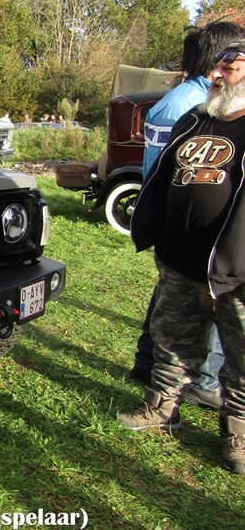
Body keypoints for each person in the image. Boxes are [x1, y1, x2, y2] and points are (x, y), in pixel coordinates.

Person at [117, 39, 245, 475]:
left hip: (236, 270)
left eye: (230, 66)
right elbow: (162, 178)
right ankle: (162, 408)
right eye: (218, 65)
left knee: (241, 356)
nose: (218, 73)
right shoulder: (194, 119)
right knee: (171, 340)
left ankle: (237, 434)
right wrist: (154, 231)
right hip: (179, 260)